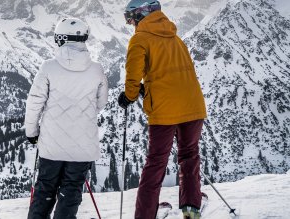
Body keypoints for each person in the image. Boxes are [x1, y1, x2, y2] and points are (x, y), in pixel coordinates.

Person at [118, 0, 207, 218]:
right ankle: (191, 208)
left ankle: (145, 215)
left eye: (130, 18)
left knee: (156, 163)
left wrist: (130, 95)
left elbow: (133, 75)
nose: (130, 24)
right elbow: (176, 74)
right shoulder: (175, 38)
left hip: (164, 111)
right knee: (189, 156)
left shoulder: (139, 39)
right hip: (193, 106)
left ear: (140, 15)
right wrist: (147, 89)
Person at [25, 18, 109, 219]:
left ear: (59, 38)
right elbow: (101, 103)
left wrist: (32, 132)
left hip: (52, 144)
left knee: (45, 188)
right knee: (71, 190)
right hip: (83, 145)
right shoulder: (96, 69)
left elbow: (34, 102)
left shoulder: (48, 67)